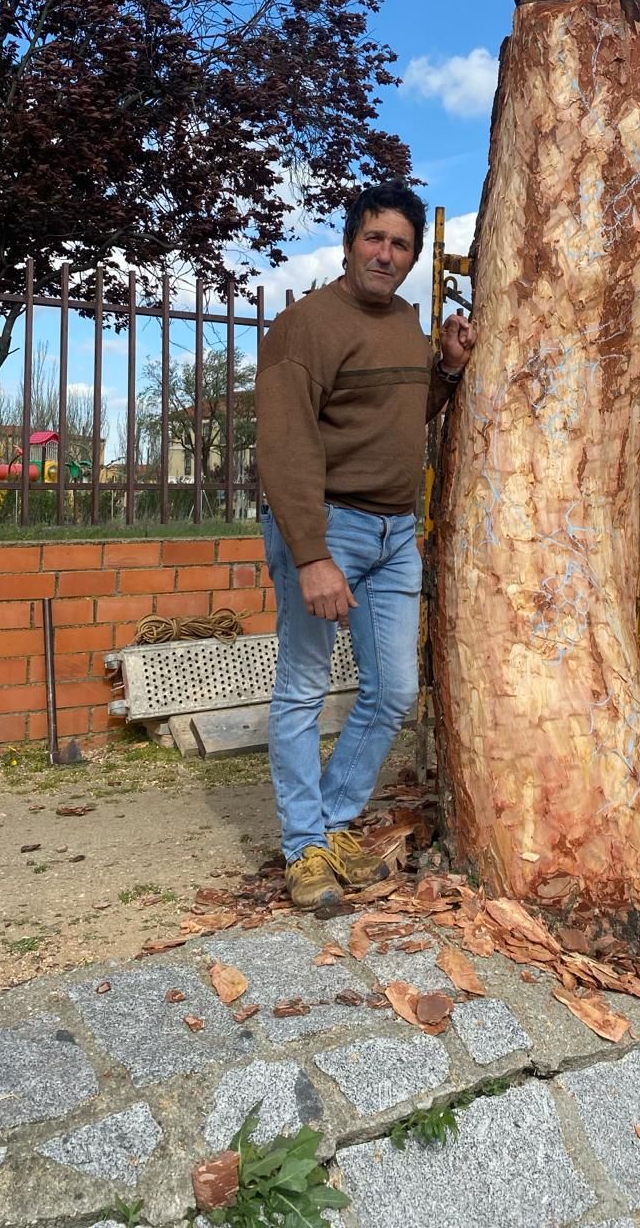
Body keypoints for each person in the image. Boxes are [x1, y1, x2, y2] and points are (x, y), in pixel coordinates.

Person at [255, 183, 476, 909]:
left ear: (413, 256)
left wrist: (444, 367)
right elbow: (284, 447)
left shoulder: (407, 323)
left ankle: (327, 824)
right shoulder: (304, 326)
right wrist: (312, 554)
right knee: (303, 690)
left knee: (394, 694)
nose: (386, 254)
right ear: (350, 242)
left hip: (393, 532)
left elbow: (408, 415)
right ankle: (303, 850)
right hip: (328, 527)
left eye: (401, 244)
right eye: (374, 239)